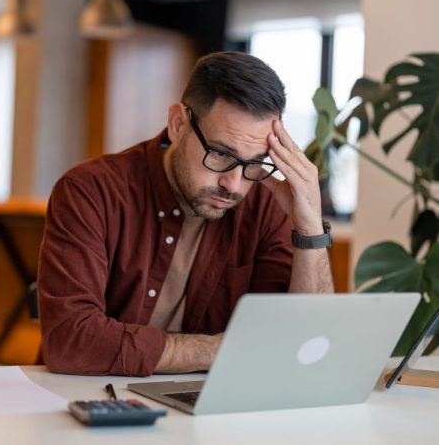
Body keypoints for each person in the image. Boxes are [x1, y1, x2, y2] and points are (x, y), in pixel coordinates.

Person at [37, 51, 334, 376]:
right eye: (221, 154)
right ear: (178, 124)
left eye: (255, 162)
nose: (234, 185)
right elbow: (71, 341)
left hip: (210, 408)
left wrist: (309, 228)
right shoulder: (91, 191)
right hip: (87, 401)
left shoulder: (264, 204)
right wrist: (222, 350)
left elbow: (305, 346)